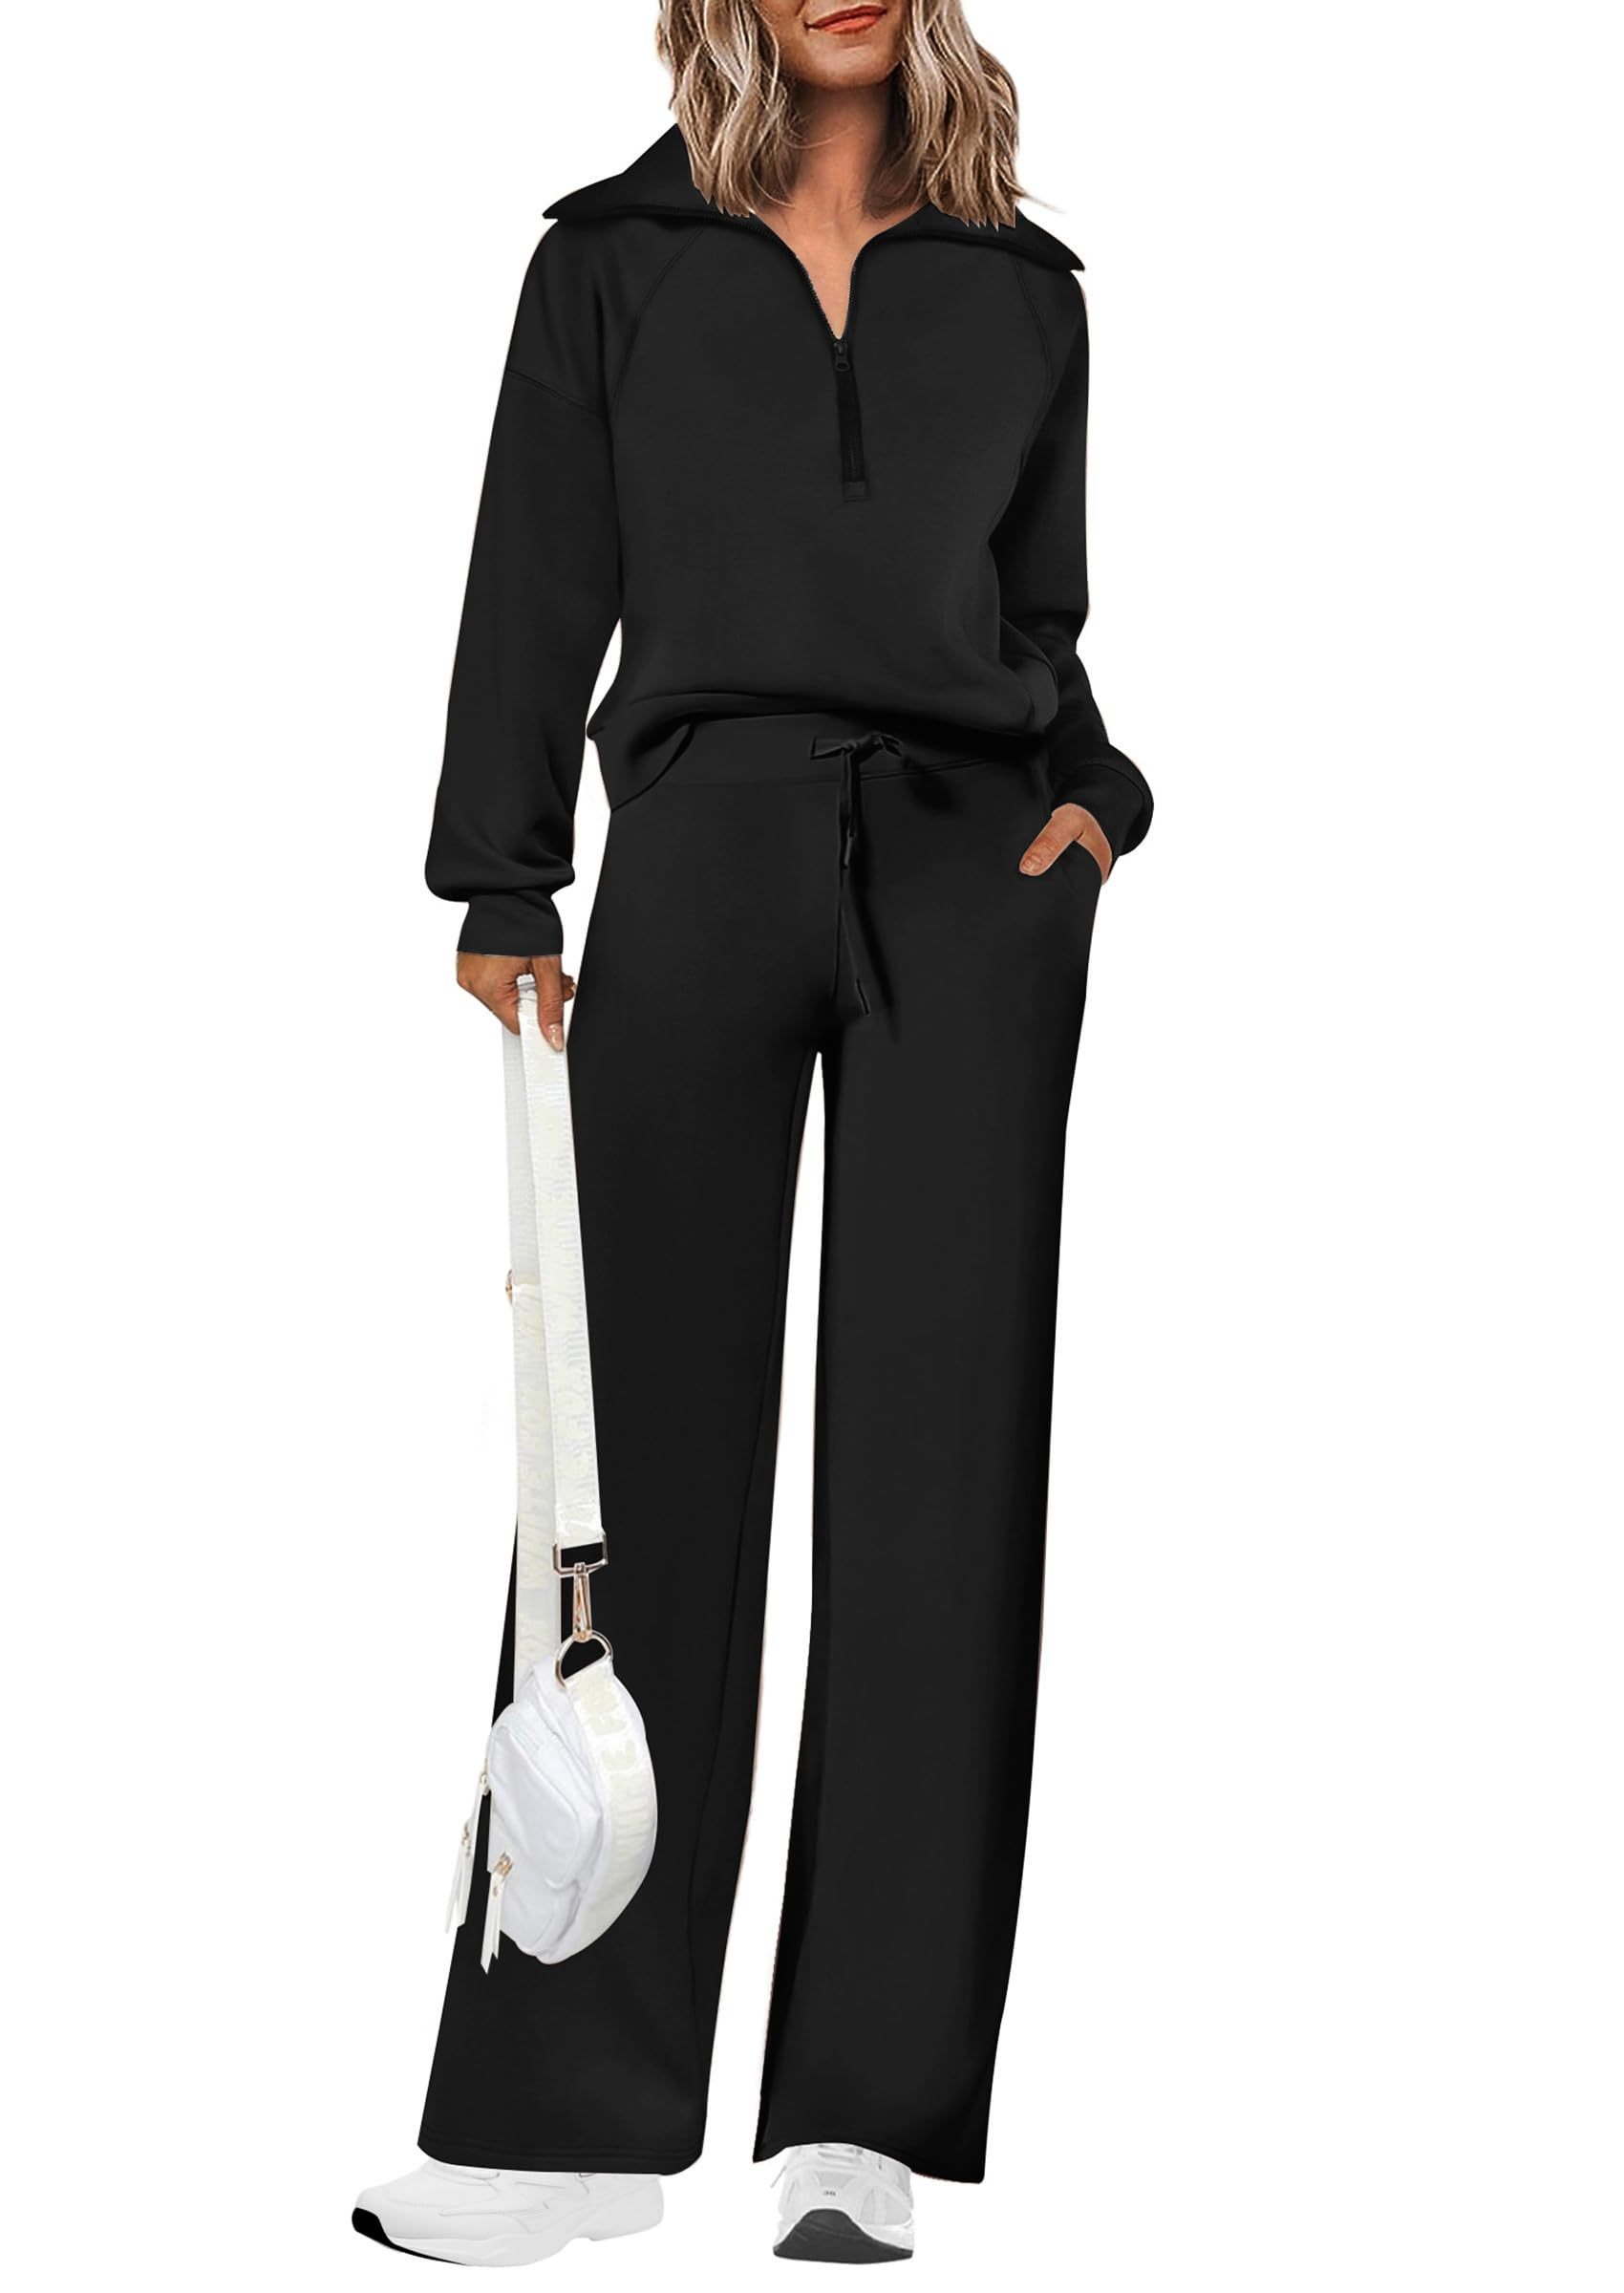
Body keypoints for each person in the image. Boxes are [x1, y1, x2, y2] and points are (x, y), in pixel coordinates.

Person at [356, 0, 1151, 2264]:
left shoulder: (1022, 286)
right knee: (625, 1480)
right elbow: (537, 566)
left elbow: (1037, 616)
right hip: (698, 854)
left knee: (935, 1481)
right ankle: (561, 2121)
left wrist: (1093, 800)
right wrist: (503, 875)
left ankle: (860, 2115)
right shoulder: (610, 259)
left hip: (971, 885)